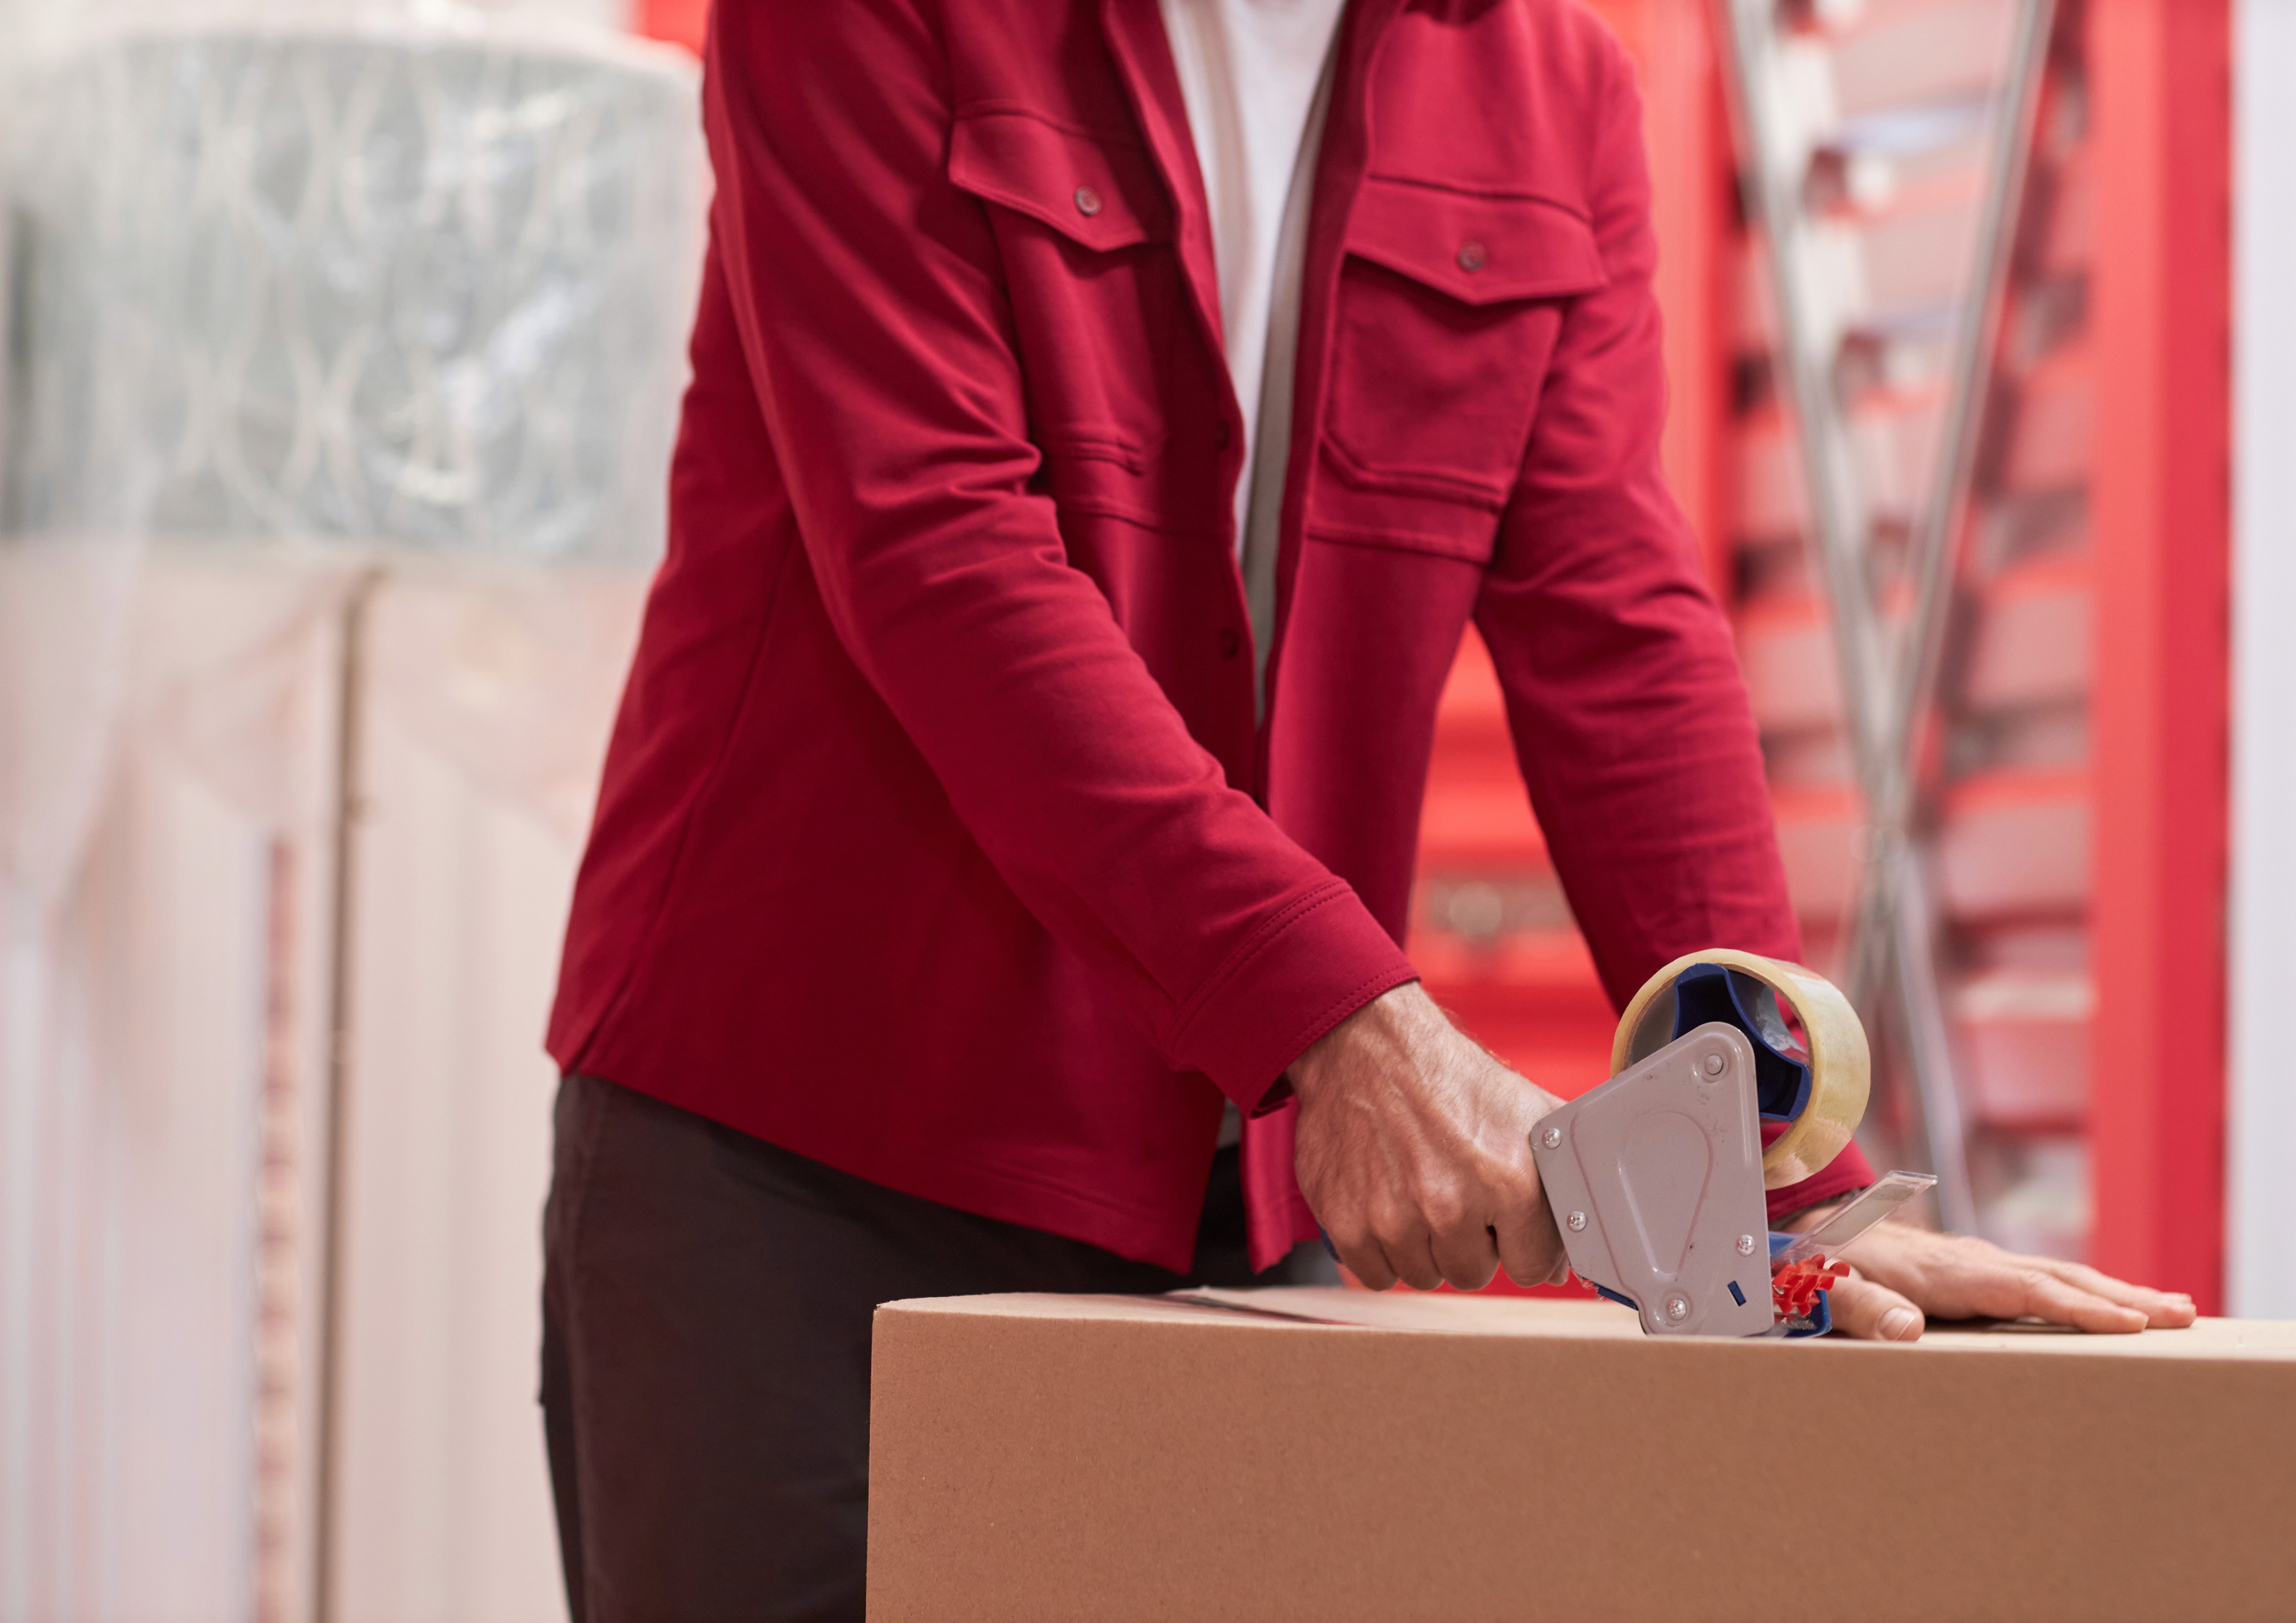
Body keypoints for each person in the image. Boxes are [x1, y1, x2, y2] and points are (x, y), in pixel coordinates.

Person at [537, 0, 2196, 1616]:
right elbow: (936, 551)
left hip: (1237, 1181)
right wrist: (1342, 1024)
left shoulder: (1552, 89)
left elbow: (1615, 632)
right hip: (805, 1156)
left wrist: (1783, 1173)